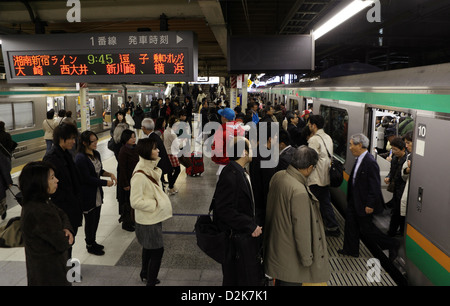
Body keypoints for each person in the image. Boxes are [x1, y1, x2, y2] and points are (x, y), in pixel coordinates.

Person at [264, 146, 330, 286]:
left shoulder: (279, 176)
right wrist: (307, 259)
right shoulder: (298, 191)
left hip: (277, 249)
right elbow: (302, 229)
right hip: (291, 259)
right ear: (309, 167)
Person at [339, 133, 399, 261]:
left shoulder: (370, 162)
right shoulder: (359, 159)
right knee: (350, 226)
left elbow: (374, 186)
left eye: (351, 144)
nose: (349, 147)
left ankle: (391, 244)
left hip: (363, 203)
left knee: (368, 230)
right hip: (354, 200)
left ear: (359, 145)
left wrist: (370, 204)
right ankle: (350, 250)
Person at [213, 136, 264, 286]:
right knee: (235, 277)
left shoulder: (238, 170)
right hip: (235, 238)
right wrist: (250, 225)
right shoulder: (230, 175)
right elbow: (224, 209)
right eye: (250, 148)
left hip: (240, 235)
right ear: (244, 152)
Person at [19, 161, 74, 286]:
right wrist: (68, 235)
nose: (57, 180)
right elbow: (62, 243)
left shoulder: (39, 202)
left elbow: (61, 213)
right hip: (49, 274)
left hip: (42, 271)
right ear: (39, 183)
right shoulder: (39, 212)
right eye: (52, 178)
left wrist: (66, 228)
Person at [130, 137, 173, 286]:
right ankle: (151, 281)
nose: (158, 150)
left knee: (148, 247)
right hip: (148, 220)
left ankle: (145, 274)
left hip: (152, 217)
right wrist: (154, 203)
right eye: (155, 148)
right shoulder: (140, 175)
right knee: (157, 251)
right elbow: (134, 201)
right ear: (148, 152)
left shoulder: (148, 167)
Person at [43, 123, 82, 259]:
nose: (73, 141)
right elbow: (49, 187)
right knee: (65, 242)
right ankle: (64, 270)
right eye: (71, 138)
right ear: (61, 138)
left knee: (70, 241)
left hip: (71, 206)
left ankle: (67, 268)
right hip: (63, 209)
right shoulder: (51, 158)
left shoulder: (66, 154)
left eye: (74, 138)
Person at [75, 131, 117, 255]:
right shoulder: (80, 158)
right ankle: (89, 244)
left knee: (96, 219)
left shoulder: (96, 154)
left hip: (97, 193)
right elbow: (86, 178)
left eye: (96, 140)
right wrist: (105, 183)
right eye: (92, 141)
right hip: (87, 195)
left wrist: (109, 174)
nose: (95, 143)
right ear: (84, 143)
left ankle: (93, 241)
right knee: (90, 221)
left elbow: (99, 170)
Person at [307, 114, 340, 237]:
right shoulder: (328, 137)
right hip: (326, 176)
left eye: (309, 124)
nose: (309, 126)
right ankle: (333, 226)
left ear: (314, 126)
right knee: (326, 202)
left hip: (316, 178)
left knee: (314, 203)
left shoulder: (314, 139)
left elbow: (311, 160)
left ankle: (316, 227)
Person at [211, 108, 246, 181]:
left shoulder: (221, 131)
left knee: (222, 189)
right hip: (238, 165)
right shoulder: (240, 129)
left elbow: (217, 150)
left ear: (224, 117)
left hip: (224, 165)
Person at [384, 137, 407, 237]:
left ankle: (391, 232)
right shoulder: (394, 158)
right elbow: (391, 171)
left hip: (402, 189)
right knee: (397, 211)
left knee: (397, 212)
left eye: (396, 149)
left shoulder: (407, 160)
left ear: (403, 149)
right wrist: (389, 177)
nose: (394, 151)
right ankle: (401, 231)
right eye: (392, 149)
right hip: (396, 188)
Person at [141, 118, 173, 190]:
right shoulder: (155, 136)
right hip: (161, 165)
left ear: (144, 128)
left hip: (158, 166)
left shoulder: (152, 139)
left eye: (142, 127)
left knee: (159, 187)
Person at [117, 129, 139, 232]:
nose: (133, 139)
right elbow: (122, 169)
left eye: (134, 136)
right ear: (126, 139)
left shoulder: (134, 148)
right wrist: (125, 184)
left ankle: (132, 219)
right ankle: (126, 222)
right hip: (127, 181)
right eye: (131, 137)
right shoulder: (123, 151)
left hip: (135, 180)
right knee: (127, 202)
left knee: (133, 201)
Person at [163, 116, 183, 195]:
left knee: (170, 171)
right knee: (177, 170)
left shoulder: (166, 130)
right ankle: (171, 186)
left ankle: (171, 186)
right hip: (171, 153)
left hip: (168, 152)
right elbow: (178, 146)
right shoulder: (172, 134)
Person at [400, 131, 413, 218]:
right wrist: (408, 170)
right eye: (405, 143)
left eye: (408, 143)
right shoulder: (409, 157)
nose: (406, 146)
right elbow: (403, 175)